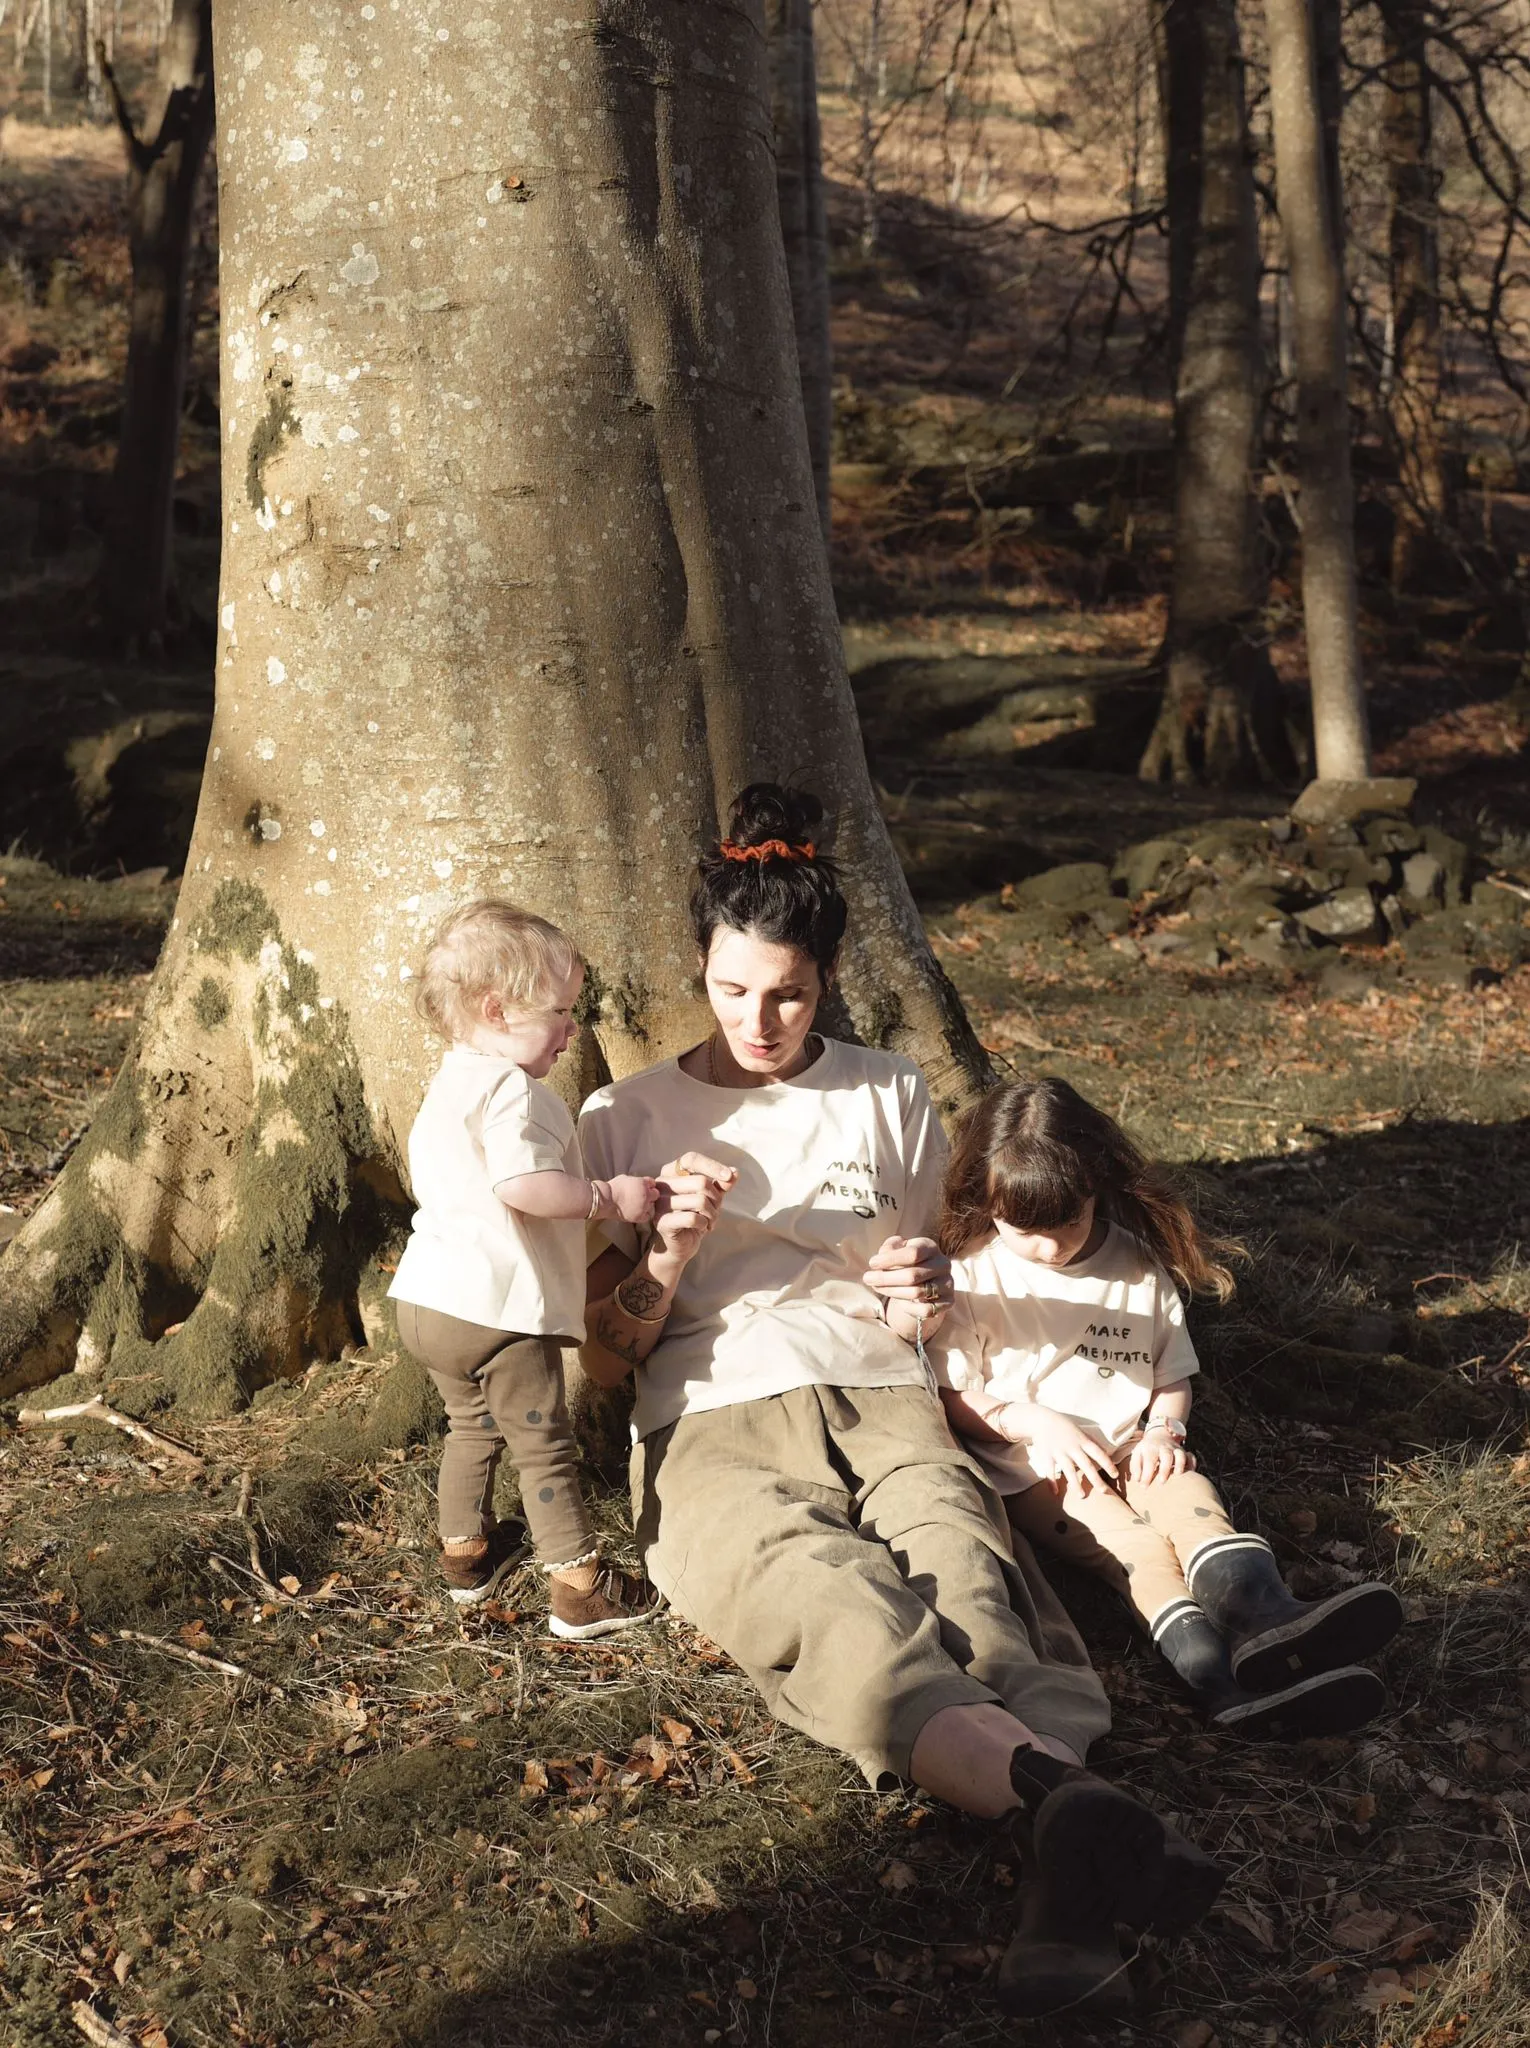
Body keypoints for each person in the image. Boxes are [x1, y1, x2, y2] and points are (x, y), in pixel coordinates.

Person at [575, 785, 1226, 2020]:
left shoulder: (889, 1092)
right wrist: (665, 1253)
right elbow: (608, 1358)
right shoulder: (628, 1115)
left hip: (881, 1388)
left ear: (827, 979)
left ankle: (1061, 1822)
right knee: (812, 1585)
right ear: (700, 971)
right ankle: (1065, 1816)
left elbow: (931, 1298)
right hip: (709, 1407)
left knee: (970, 1578)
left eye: (789, 993)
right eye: (730, 989)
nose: (759, 1020)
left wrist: (923, 1290)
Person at [933, 1078, 1403, 1738]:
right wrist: (1032, 1420)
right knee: (1136, 1551)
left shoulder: (1135, 1264)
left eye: (1069, 1222)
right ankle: (1225, 1686)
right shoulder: (974, 1276)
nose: (1050, 1247)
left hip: (1140, 1446)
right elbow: (956, 1395)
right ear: (988, 1200)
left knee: (1193, 1507)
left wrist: (1165, 1429)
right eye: (1024, 1229)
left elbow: (1170, 1371)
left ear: (1097, 1187)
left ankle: (1267, 1620)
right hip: (1042, 1471)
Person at [388, 899, 661, 1639]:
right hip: (496, 1306)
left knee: (469, 1424)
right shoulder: (515, 1092)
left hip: (426, 1300)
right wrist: (609, 1196)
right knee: (544, 1447)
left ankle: (465, 1555)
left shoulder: (451, 1084)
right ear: (497, 1009)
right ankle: (579, 1586)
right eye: (561, 1013)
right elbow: (521, 1186)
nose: (573, 1030)